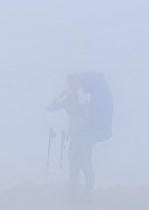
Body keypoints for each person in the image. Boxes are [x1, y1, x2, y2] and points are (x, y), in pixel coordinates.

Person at [46, 71, 112, 202]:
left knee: (86, 165)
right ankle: (73, 198)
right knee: (74, 167)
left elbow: (87, 115)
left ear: (78, 83)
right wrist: (61, 95)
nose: (70, 85)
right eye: (69, 83)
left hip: (85, 137)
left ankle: (87, 195)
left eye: (72, 82)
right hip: (75, 137)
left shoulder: (85, 97)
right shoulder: (69, 100)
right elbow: (50, 107)